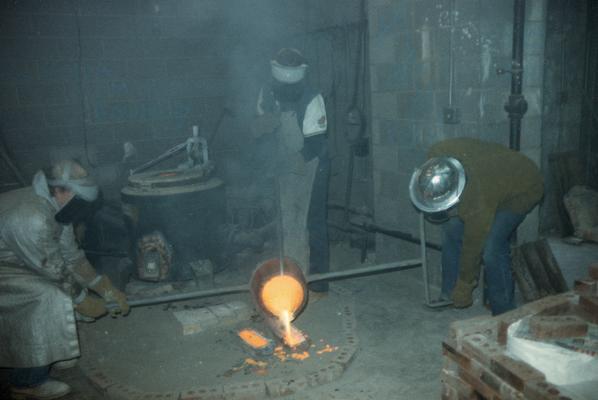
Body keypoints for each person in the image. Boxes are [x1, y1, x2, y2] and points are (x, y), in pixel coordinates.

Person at [0, 159, 129, 399]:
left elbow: (72, 257)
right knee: (46, 296)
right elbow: (54, 271)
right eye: (79, 200)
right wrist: (83, 300)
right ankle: (26, 381)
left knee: (61, 291)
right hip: (5, 267)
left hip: (19, 258)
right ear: (59, 189)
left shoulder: (58, 207)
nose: (81, 209)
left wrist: (104, 286)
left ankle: (53, 354)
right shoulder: (32, 217)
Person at [409, 138, 544, 315]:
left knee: (491, 246)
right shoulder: (437, 157)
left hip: (524, 187)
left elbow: (473, 244)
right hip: (494, 179)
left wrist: (466, 284)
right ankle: (449, 294)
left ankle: (504, 311)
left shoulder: (477, 199)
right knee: (451, 229)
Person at [250, 48, 330, 294]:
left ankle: (318, 282)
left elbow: (317, 142)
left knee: (311, 221)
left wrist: (299, 160)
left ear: (300, 74)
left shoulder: (312, 97)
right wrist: (262, 128)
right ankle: (292, 276)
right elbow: (261, 128)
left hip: (312, 163)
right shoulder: (267, 91)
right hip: (282, 162)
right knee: (287, 221)